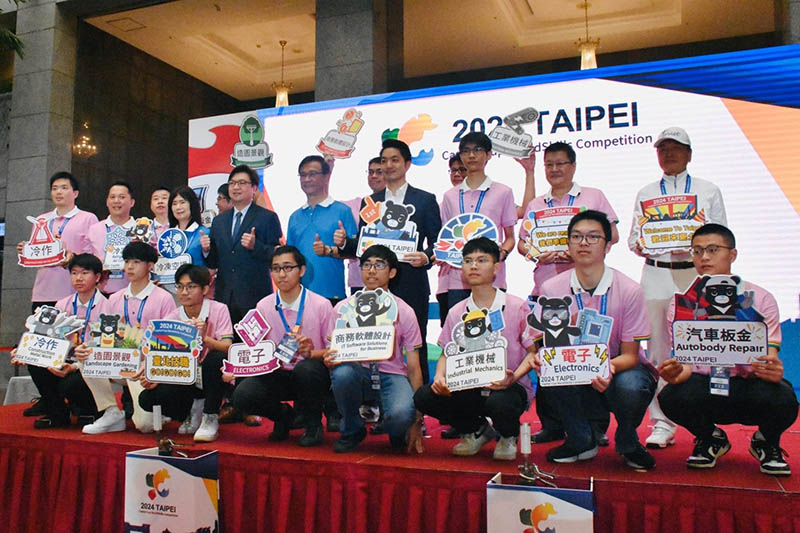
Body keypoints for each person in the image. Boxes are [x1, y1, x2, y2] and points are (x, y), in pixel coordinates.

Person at [658, 224, 797, 475]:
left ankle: (766, 441)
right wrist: (676, 374)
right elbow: (685, 362)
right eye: (697, 251)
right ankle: (710, 438)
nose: (704, 257)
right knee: (671, 396)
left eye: (713, 249)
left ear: (732, 254)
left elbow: (770, 356)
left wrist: (772, 370)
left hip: (749, 385)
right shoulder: (683, 303)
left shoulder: (760, 298)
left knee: (784, 399)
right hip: (707, 384)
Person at [627, 127, 728, 449]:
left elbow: (721, 235)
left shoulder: (707, 189)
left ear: (689, 154)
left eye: (675, 148)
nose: (669, 154)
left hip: (695, 274)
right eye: (663, 149)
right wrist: (644, 243)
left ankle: (706, 421)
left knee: (702, 346)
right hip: (656, 272)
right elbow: (633, 239)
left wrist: (698, 248)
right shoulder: (646, 193)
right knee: (657, 349)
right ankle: (661, 422)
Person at [533, 210, 656, 470]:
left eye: (593, 237)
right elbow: (548, 344)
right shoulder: (551, 289)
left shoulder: (630, 290)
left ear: (608, 245)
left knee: (632, 386)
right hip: (573, 369)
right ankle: (581, 440)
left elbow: (631, 356)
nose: (584, 243)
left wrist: (604, 367)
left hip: (618, 370)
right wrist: (542, 358)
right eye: (576, 237)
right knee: (550, 369)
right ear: (568, 244)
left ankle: (628, 441)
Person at [518, 141, 619, 445]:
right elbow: (523, 243)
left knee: (588, 353)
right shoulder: (536, 204)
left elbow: (612, 234)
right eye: (549, 164)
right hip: (548, 289)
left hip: (588, 290)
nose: (554, 169)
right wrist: (536, 253)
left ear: (573, 166)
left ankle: (596, 425)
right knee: (549, 355)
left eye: (561, 163)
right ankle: (551, 423)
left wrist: (577, 248)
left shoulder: (593, 196)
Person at [414, 238, 537, 460]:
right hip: (468, 384)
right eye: (468, 261)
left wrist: (513, 378)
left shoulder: (516, 306)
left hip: (508, 387)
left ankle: (508, 436)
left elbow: (532, 352)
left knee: (500, 402)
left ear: (496, 267)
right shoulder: (457, 311)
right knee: (425, 396)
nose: (473, 266)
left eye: (482, 260)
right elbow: (447, 352)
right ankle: (477, 430)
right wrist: (440, 377)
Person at [336, 139, 442, 384]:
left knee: (416, 343)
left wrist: (426, 256)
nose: (388, 165)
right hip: (377, 284)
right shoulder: (370, 202)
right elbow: (364, 245)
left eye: (395, 160)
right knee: (373, 341)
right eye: (384, 160)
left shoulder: (424, 200)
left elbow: (438, 242)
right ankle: (375, 397)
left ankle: (418, 400)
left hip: (412, 282)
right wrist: (344, 243)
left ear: (407, 164)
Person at [323, 245, 424, 453]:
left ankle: (393, 426)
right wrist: (329, 359)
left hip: (392, 375)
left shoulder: (404, 311)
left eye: (379, 265)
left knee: (400, 417)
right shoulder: (343, 309)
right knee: (342, 373)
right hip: (357, 372)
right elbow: (331, 351)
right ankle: (352, 430)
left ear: (392, 272)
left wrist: (417, 419)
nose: (371, 270)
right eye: (366, 265)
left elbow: (414, 366)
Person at [231, 246, 334, 447]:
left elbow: (333, 350)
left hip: (312, 374)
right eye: (276, 269)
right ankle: (284, 416)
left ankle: (313, 425)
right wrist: (237, 367)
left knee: (307, 369)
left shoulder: (321, 305)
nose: (281, 274)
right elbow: (254, 347)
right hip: (277, 372)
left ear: (301, 270)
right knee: (243, 395)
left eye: (287, 267)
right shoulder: (263, 306)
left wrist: (311, 352)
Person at [79, 241, 177, 434]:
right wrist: (89, 347)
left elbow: (169, 340)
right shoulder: (115, 298)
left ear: (150, 266)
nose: (130, 267)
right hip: (120, 362)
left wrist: (150, 363)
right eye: (127, 262)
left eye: (136, 262)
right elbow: (103, 336)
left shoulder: (163, 298)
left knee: (145, 426)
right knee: (86, 357)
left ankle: (159, 413)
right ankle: (111, 412)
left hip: (146, 367)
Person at [139, 264, 233, 442]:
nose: (184, 292)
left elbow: (228, 347)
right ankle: (190, 412)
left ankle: (210, 416)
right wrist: (154, 375)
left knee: (217, 359)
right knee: (147, 398)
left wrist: (204, 338)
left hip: (212, 374)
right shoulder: (172, 318)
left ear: (205, 289)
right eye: (180, 286)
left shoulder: (219, 309)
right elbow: (162, 355)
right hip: (184, 375)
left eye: (191, 287)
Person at [11, 254, 106, 428]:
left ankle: (91, 410)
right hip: (63, 359)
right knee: (36, 364)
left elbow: (107, 346)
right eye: (74, 273)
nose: (78, 278)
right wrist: (24, 351)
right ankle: (57, 413)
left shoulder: (107, 306)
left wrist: (75, 366)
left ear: (97, 277)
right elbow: (45, 336)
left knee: (73, 381)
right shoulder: (62, 304)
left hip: (90, 361)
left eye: (85, 273)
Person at [437, 132, 517, 321]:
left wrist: (502, 254)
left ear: (489, 155)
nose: (471, 155)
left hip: (492, 278)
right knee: (459, 331)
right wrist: (441, 253)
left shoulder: (503, 192)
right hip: (457, 279)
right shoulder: (449, 196)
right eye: (466, 151)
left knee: (495, 330)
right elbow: (445, 237)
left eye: (477, 150)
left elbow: (510, 237)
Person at [202, 164, 282, 325]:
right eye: (232, 183)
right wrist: (206, 250)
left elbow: (277, 259)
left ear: (254, 188)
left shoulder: (267, 218)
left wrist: (256, 246)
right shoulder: (219, 221)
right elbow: (213, 262)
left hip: (255, 296)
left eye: (242, 183)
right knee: (225, 340)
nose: (236, 187)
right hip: (225, 297)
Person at [18, 172, 99, 313]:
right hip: (43, 292)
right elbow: (37, 255)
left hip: (74, 291)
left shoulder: (88, 218)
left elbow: (93, 257)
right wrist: (26, 251)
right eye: (54, 188)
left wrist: (72, 258)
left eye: (64, 188)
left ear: (75, 193)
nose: (58, 192)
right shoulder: (41, 220)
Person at [287, 155, 358, 304]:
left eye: (312, 174)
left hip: (332, 293)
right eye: (303, 175)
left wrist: (336, 247)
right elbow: (290, 257)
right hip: (299, 294)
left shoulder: (342, 211)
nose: (307, 179)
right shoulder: (294, 217)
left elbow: (354, 252)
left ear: (326, 177)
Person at [344, 157, 386, 296]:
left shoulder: (399, 208)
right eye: (371, 172)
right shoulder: (357, 204)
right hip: (360, 279)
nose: (374, 176)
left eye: (379, 172)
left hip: (389, 278)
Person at [88, 181, 137, 295]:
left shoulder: (141, 230)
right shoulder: (94, 229)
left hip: (133, 292)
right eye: (112, 197)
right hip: (101, 293)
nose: (116, 201)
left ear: (132, 202)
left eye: (122, 197)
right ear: (107, 202)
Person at [168, 186, 211, 266]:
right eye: (174, 204)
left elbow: (213, 264)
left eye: (182, 202)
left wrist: (206, 250)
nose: (178, 207)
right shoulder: (167, 235)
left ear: (192, 204)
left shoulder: (205, 233)